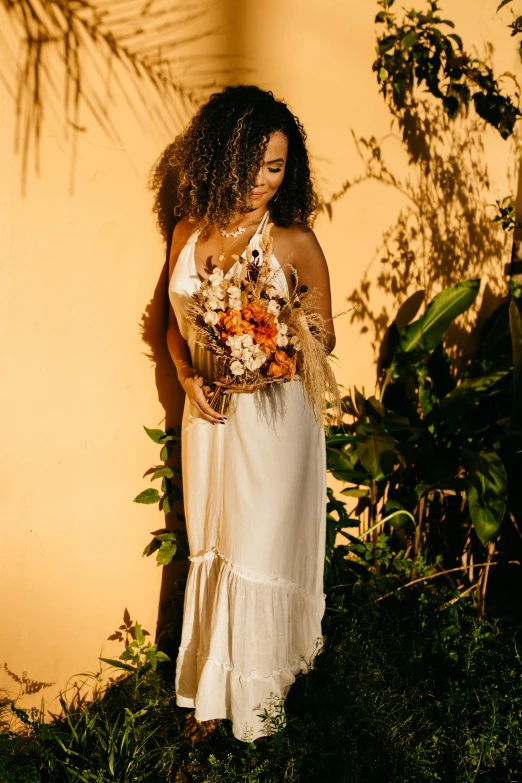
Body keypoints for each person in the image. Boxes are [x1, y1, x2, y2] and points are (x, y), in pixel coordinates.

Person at [150, 84, 336, 743]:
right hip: (207, 417)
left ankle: (257, 706)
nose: (264, 181)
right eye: (254, 164)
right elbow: (170, 324)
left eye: (277, 167)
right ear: (221, 159)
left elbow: (322, 336)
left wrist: (264, 349)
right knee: (214, 543)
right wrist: (184, 371)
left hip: (270, 426)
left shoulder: (291, 239)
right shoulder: (186, 231)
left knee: (255, 548)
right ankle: (209, 693)